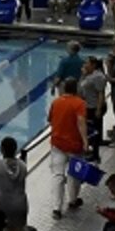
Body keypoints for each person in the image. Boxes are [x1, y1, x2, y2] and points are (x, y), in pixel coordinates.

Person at [48, 79, 91, 218]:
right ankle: (72, 200)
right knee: (74, 174)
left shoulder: (56, 102)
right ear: (76, 89)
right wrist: (85, 141)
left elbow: (50, 119)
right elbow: (81, 122)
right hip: (74, 145)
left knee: (58, 175)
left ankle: (56, 208)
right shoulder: (80, 103)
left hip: (57, 144)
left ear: (64, 88)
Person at [78, 56, 108, 148]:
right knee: (89, 129)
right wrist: (83, 75)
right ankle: (90, 148)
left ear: (93, 65)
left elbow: (101, 93)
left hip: (94, 106)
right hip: (88, 105)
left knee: (95, 130)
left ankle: (95, 153)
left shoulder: (98, 76)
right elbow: (80, 87)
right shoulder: (87, 75)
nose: (84, 65)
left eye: (87, 63)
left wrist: (98, 109)